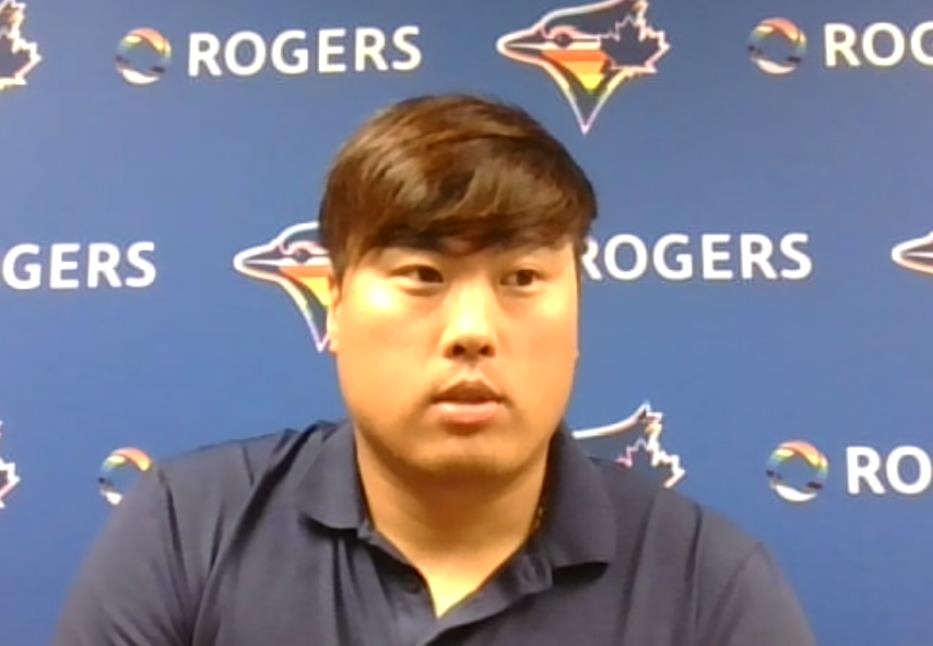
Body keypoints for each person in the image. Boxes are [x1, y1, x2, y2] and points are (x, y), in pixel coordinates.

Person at [54, 94, 816, 645]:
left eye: (521, 279)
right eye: (422, 275)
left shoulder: (705, 584)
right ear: (335, 306)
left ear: (578, 313)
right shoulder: (188, 531)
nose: (472, 331)